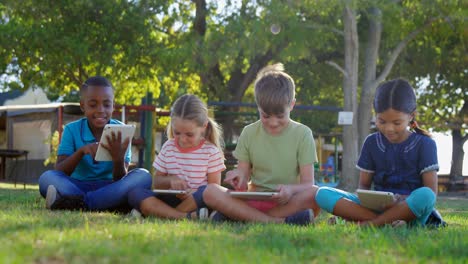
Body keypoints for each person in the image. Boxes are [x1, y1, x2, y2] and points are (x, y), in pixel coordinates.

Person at [203, 63, 320, 225]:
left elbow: (308, 184)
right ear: (258, 106)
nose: (273, 123)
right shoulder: (249, 132)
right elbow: (244, 175)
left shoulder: (303, 134)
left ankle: (241, 216)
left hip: (286, 202)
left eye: (280, 116)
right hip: (253, 200)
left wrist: (290, 190)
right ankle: (279, 221)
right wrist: (238, 178)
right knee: (210, 191)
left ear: (292, 105)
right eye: (265, 116)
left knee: (316, 193)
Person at [315, 78, 443, 227]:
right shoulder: (371, 142)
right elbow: (363, 186)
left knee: (425, 196)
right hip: (377, 207)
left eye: (397, 123)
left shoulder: (425, 144)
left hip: (410, 208)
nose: (389, 128)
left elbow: (432, 193)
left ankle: (370, 223)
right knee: (322, 193)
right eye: (382, 121)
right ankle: (386, 222)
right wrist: (371, 200)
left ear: (411, 116)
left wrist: (400, 200)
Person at [38, 76, 152, 212]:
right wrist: (81, 152)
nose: (100, 110)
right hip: (77, 186)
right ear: (83, 106)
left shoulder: (121, 131)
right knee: (47, 177)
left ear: (113, 105)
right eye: (93, 105)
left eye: (106, 104)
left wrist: (118, 159)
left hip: (110, 187)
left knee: (144, 176)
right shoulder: (71, 130)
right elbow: (61, 171)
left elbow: (120, 179)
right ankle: (110, 204)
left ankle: (78, 203)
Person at [127, 94, 226, 219]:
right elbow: (156, 183)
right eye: (177, 133)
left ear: (204, 127)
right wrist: (170, 180)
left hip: (196, 201)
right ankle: (187, 217)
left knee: (205, 195)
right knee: (135, 192)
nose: (182, 140)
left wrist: (194, 193)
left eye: (189, 134)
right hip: (170, 199)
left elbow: (214, 190)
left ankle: (157, 213)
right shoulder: (169, 147)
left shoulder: (211, 152)